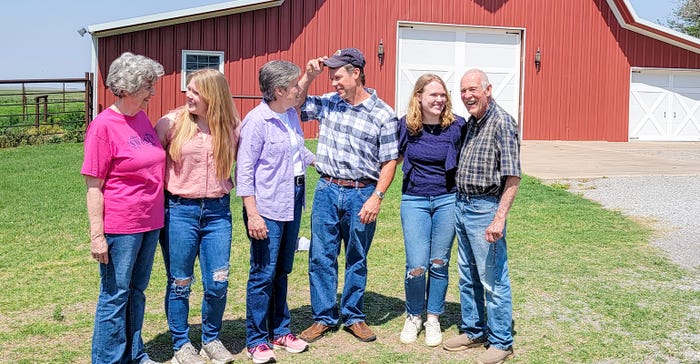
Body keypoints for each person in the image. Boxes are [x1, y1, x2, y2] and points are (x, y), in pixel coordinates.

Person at [296, 48, 399, 343]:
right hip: (327, 189)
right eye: (330, 77)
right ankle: (324, 317)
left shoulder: (383, 113)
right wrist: (308, 76)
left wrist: (377, 196)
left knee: (357, 255)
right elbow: (295, 105)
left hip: (361, 192)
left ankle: (353, 315)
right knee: (321, 255)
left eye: (338, 76)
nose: (333, 83)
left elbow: (390, 160)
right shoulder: (329, 103)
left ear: (356, 73)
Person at [82, 52, 165, 364]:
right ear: (128, 88)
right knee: (115, 295)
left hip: (150, 222)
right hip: (121, 226)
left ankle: (134, 353)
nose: (152, 91)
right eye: (147, 85)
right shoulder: (103, 126)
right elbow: (94, 186)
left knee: (137, 293)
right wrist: (97, 235)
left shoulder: (142, 119)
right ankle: (108, 359)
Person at [155, 69, 240, 364]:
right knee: (180, 281)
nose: (188, 96)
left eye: (195, 91)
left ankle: (211, 340)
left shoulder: (231, 126)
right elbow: (149, 164)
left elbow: (248, 166)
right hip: (179, 212)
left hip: (218, 213)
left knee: (218, 281)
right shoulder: (171, 123)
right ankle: (181, 344)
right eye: (187, 90)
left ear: (212, 95)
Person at [236, 60, 316, 364]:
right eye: (295, 85)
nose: (299, 89)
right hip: (266, 205)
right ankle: (256, 339)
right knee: (262, 273)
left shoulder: (290, 114)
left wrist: (318, 161)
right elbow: (245, 170)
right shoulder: (257, 121)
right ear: (280, 90)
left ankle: (280, 331)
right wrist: (252, 214)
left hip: (293, 198)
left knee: (282, 270)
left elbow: (297, 150)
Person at [442, 69, 521, 364]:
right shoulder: (474, 123)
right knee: (468, 276)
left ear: (488, 89)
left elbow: (513, 176)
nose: (467, 96)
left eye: (473, 89)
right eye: (463, 91)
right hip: (462, 206)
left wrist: (499, 218)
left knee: (493, 278)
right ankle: (475, 331)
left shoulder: (502, 122)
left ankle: (501, 341)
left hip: (485, 209)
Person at [397, 74, 466, 347]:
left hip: (447, 200)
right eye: (433, 95)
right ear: (419, 98)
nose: (439, 100)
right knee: (416, 264)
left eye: (442, 95)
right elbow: (390, 157)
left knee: (439, 262)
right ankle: (414, 315)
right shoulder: (405, 126)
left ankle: (433, 317)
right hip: (414, 200)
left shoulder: (457, 126)